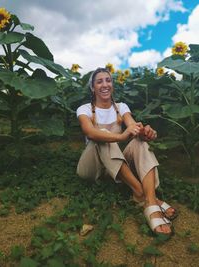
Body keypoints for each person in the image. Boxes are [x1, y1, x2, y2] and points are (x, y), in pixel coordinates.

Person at [76, 67, 177, 235]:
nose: (105, 84)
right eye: (99, 81)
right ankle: (140, 191)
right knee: (103, 135)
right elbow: (89, 131)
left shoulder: (121, 107)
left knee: (140, 142)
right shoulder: (85, 109)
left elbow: (132, 125)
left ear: (112, 85)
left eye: (108, 80)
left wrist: (144, 132)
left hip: (113, 165)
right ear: (93, 88)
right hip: (92, 168)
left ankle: (149, 201)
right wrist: (122, 137)